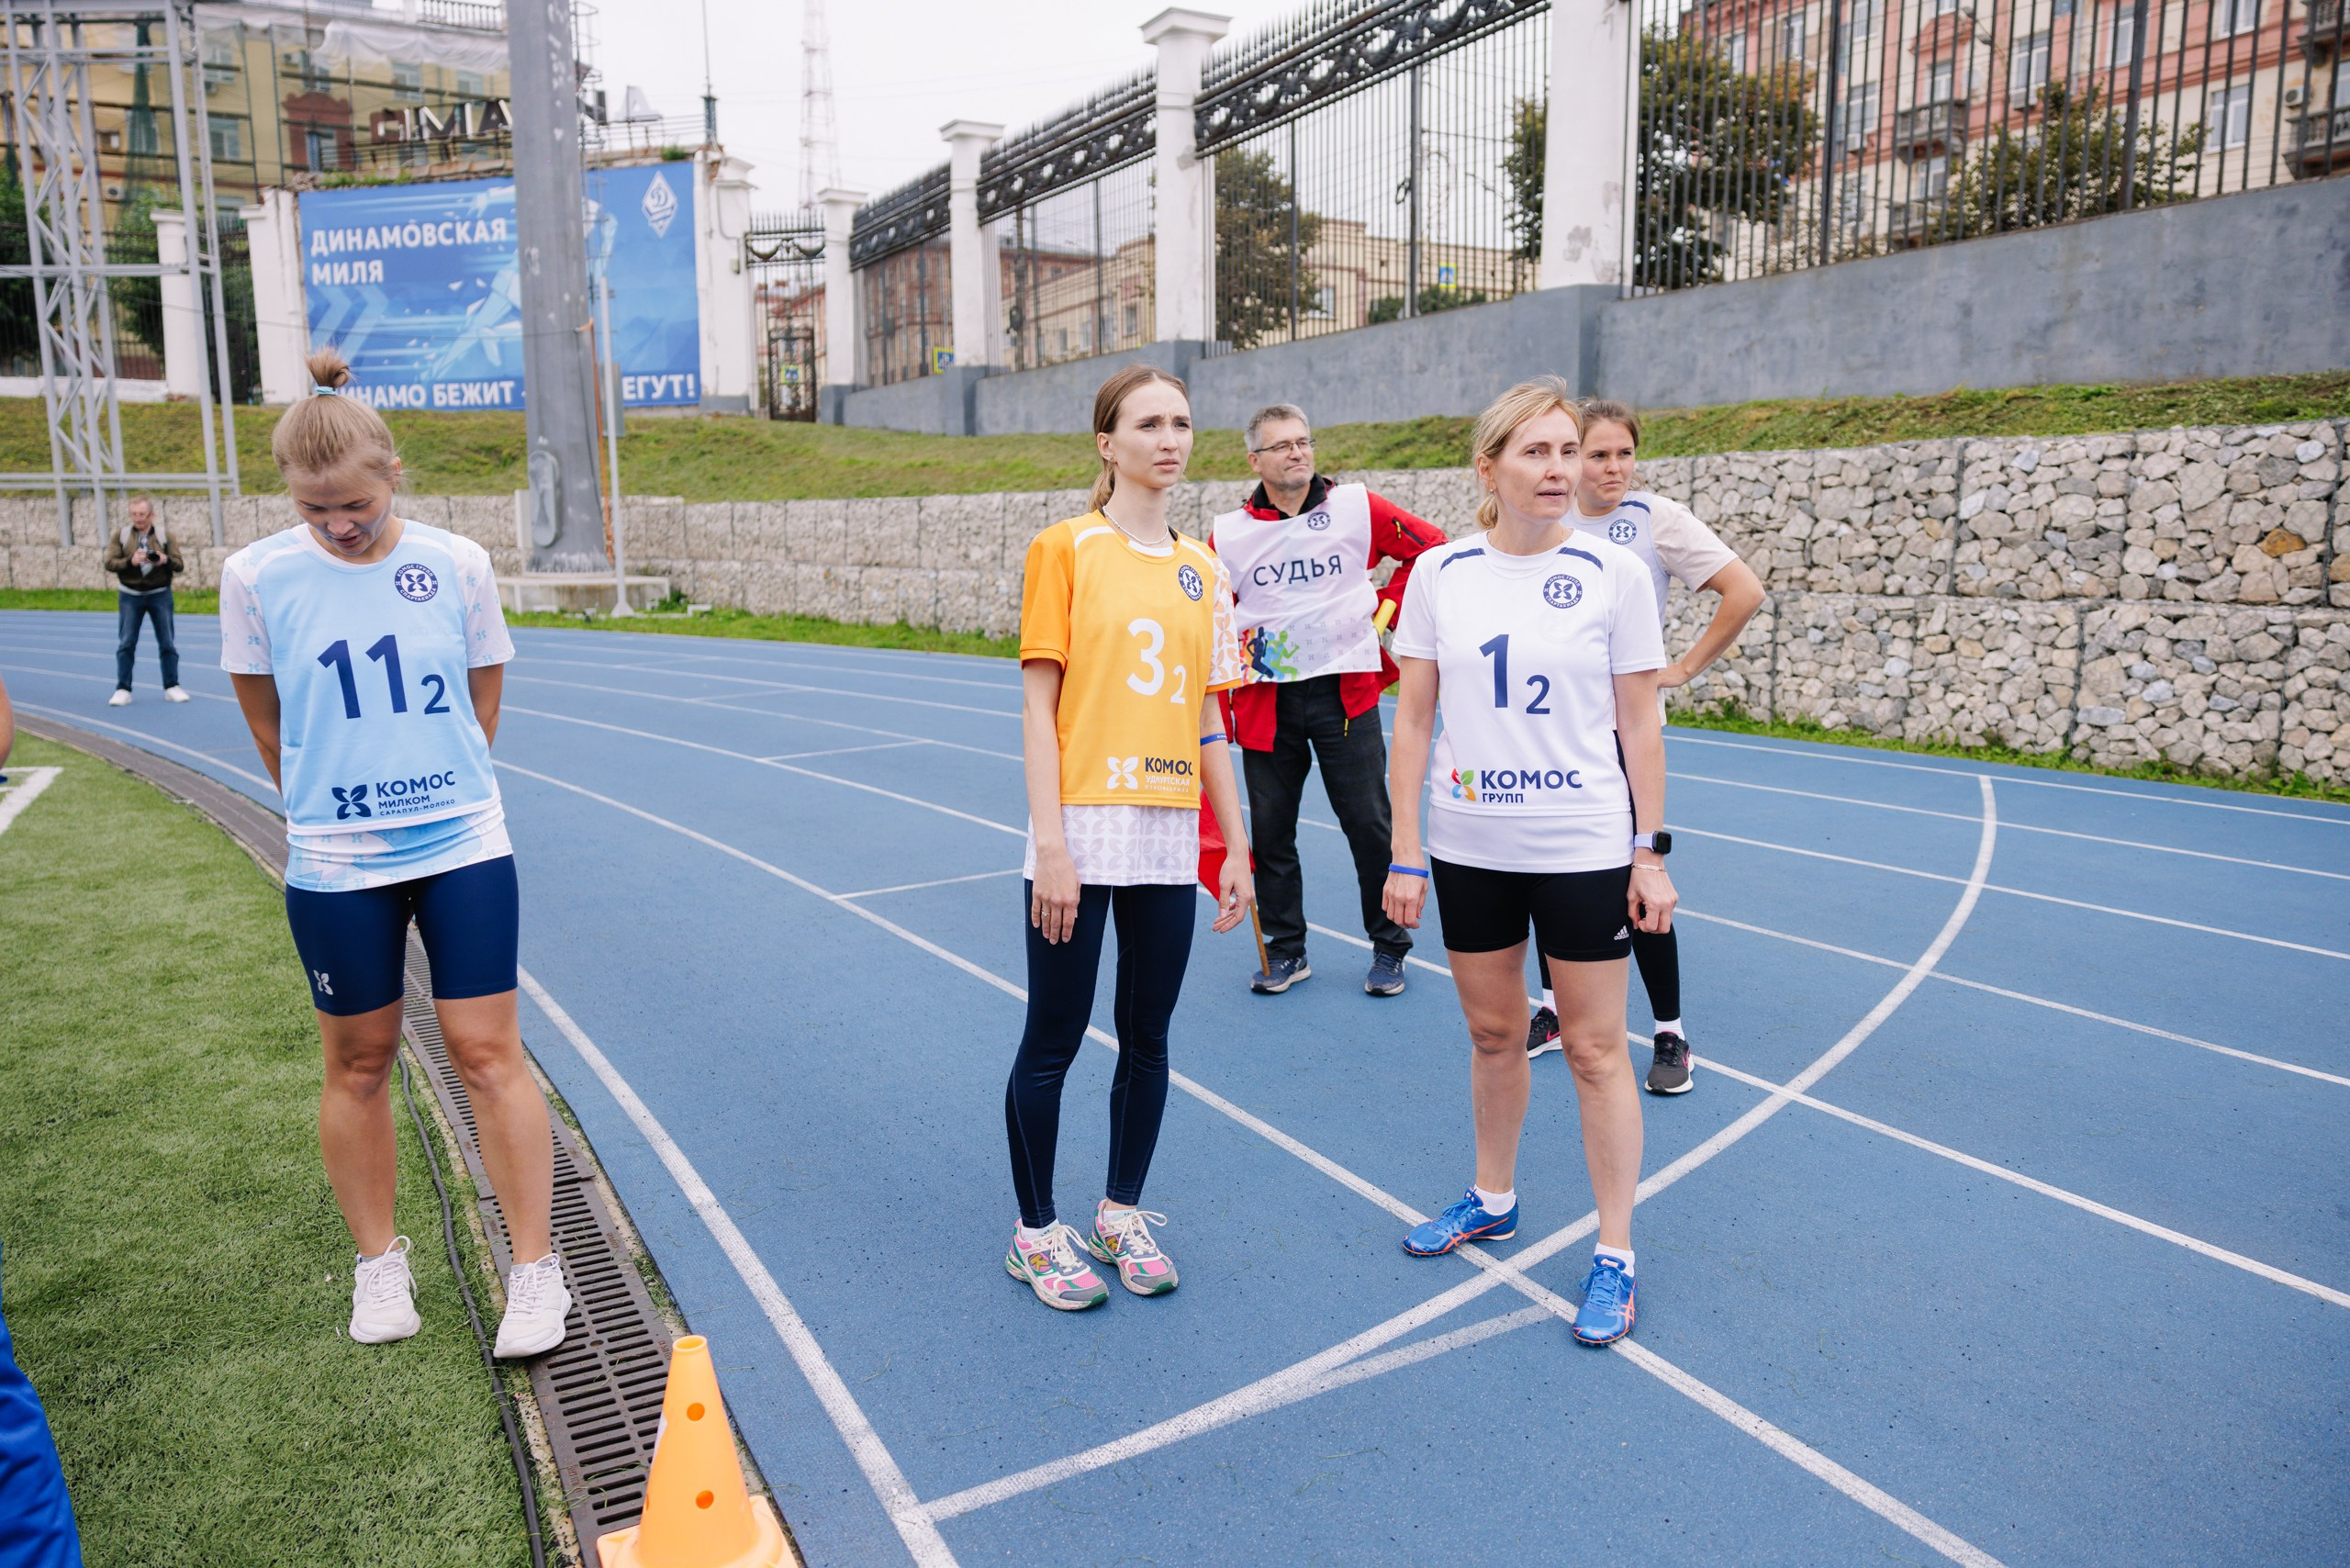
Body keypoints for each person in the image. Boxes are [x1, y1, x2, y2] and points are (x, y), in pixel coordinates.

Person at [222, 347, 567, 1359]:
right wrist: (331, 799)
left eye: (356, 505)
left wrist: (433, 780)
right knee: (359, 1059)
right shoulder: (257, 576)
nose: (338, 523)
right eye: (317, 507)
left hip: (460, 839)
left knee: (486, 1051)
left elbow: (482, 694)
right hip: (335, 858)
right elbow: (264, 715)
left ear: (393, 475)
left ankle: (536, 1272)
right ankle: (379, 1264)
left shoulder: (456, 563)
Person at [1382, 378, 1676, 1348]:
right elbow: (1414, 721)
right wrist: (1406, 850)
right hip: (1471, 846)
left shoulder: (1612, 573)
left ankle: (1614, 1252)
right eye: (1536, 453)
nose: (1558, 470)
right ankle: (1492, 1196)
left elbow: (1640, 719)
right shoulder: (1440, 575)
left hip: (1584, 846)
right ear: (1490, 468)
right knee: (1493, 1034)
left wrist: (1648, 851)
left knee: (1594, 1050)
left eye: (1567, 451)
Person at [1005, 364, 1254, 1312]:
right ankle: (1035, 1232)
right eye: (1148, 423)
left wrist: (1232, 844)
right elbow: (1038, 710)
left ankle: (1118, 1211)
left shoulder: (1206, 570)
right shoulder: (1064, 548)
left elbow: (1206, 720)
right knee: (1054, 1039)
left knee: (1147, 1034)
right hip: (1080, 826)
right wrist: (1053, 845)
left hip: (1163, 832)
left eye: (1183, 422)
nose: (1170, 438)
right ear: (1106, 445)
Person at [1526, 398, 1764, 1096]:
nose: (1611, 467)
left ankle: (1670, 1032)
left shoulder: (1655, 519)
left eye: (1622, 453)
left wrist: (1684, 668)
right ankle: (1553, 1007)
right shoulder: (1543, 516)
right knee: (1549, 874)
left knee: (1640, 881)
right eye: (1593, 454)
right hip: (1548, 736)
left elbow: (1743, 590)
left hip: (1626, 738)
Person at [1210, 404, 1448, 997]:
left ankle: (1390, 948)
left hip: (1346, 694)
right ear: (1255, 460)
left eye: (1303, 441)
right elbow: (1207, 608)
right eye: (1282, 445)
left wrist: (1386, 612)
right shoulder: (1230, 533)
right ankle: (1287, 951)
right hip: (1267, 701)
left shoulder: (1356, 508)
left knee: (1369, 825)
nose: (1297, 452)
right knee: (1272, 833)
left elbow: (1431, 547)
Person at [104, 495, 189, 706]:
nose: (138, 518)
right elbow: (109, 563)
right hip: (130, 595)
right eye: (134, 514)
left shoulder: (164, 535)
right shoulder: (121, 535)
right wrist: (130, 562)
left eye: (142, 514)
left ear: (152, 514)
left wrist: (164, 559)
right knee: (126, 643)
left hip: (159, 593)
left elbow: (179, 564)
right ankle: (123, 689)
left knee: (167, 642)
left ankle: (172, 686)